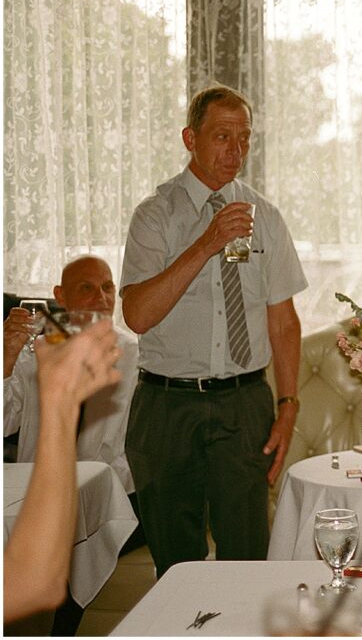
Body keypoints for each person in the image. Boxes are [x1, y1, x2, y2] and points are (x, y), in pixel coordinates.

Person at [120, 84, 307, 577]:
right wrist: (207, 242)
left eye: (245, 138)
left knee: (246, 562)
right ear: (191, 138)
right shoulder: (154, 215)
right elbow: (137, 314)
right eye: (223, 136)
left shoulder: (264, 215)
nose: (237, 150)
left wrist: (287, 406)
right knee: (176, 569)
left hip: (243, 405)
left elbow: (283, 321)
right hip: (167, 407)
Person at [4, 320, 122, 623]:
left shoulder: (130, 352)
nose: (99, 300)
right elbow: (31, 584)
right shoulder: (30, 355)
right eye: (86, 289)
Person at [4, 256, 139, 500]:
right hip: (35, 486)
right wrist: (6, 358)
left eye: (107, 287)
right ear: (61, 296)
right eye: (86, 288)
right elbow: (4, 423)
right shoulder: (36, 348)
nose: (102, 297)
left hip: (106, 490)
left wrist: (112, 479)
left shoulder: (135, 353)